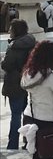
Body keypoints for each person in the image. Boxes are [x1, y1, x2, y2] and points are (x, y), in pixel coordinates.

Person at [20, 40, 53, 159]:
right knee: (49, 157)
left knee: (36, 157)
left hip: (30, 116)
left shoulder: (28, 73)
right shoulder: (52, 76)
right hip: (47, 120)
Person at [2, 19, 36, 150]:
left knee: (15, 114)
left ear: (16, 30)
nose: (9, 31)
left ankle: (12, 143)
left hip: (15, 82)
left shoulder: (14, 46)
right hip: (28, 79)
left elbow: (7, 65)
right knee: (27, 112)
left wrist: (3, 62)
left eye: (11, 29)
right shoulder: (31, 42)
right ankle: (28, 140)